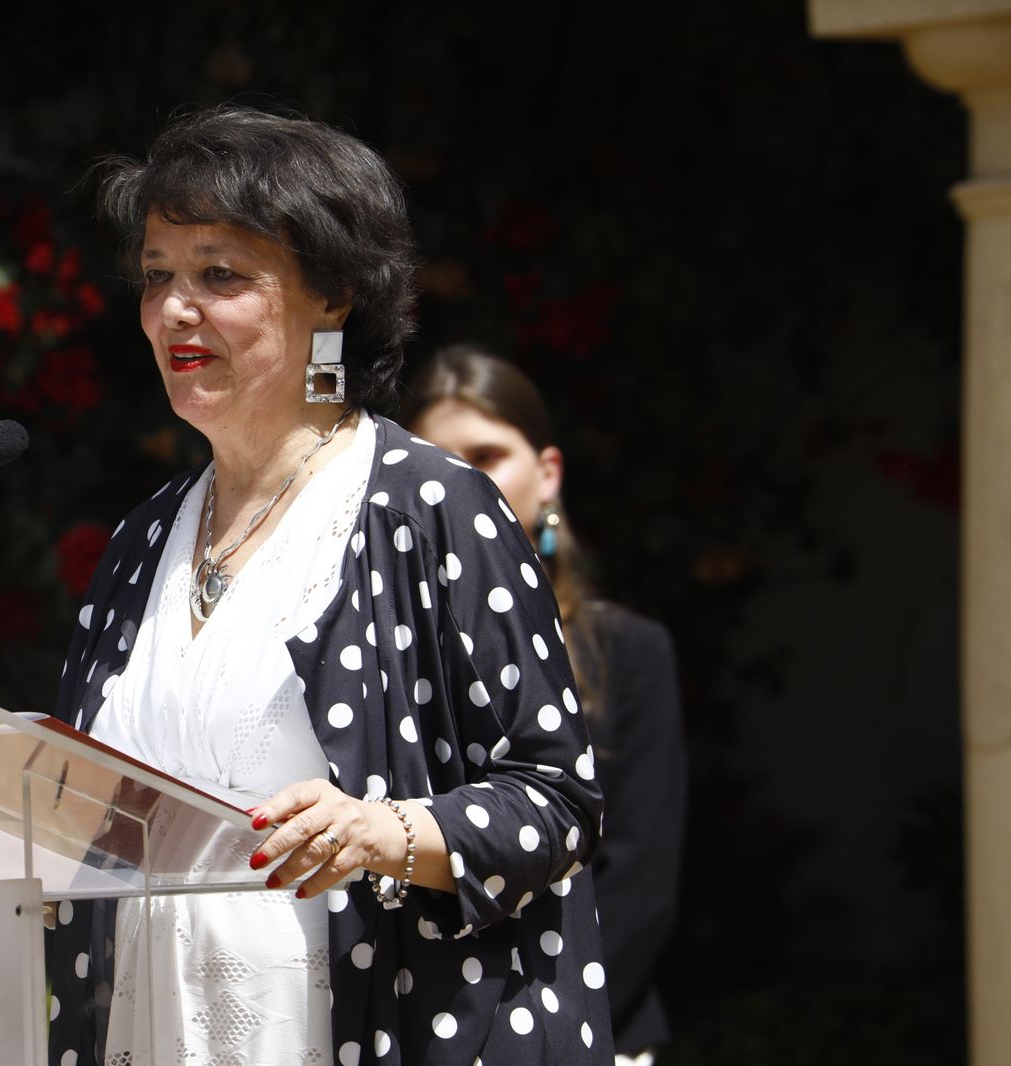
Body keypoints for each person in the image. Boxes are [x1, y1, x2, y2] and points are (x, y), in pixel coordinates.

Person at [48, 106, 613, 1066]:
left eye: (220, 274)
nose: (175, 308)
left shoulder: (434, 509)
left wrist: (383, 829)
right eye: (157, 276)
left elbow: (557, 799)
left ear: (336, 294)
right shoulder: (144, 540)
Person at [405, 346, 687, 1066]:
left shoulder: (628, 652)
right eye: (436, 461)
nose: (461, 482)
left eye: (487, 455)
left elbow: (641, 879)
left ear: (548, 473)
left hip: (592, 1032)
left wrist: (542, 1030)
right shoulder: (384, 656)